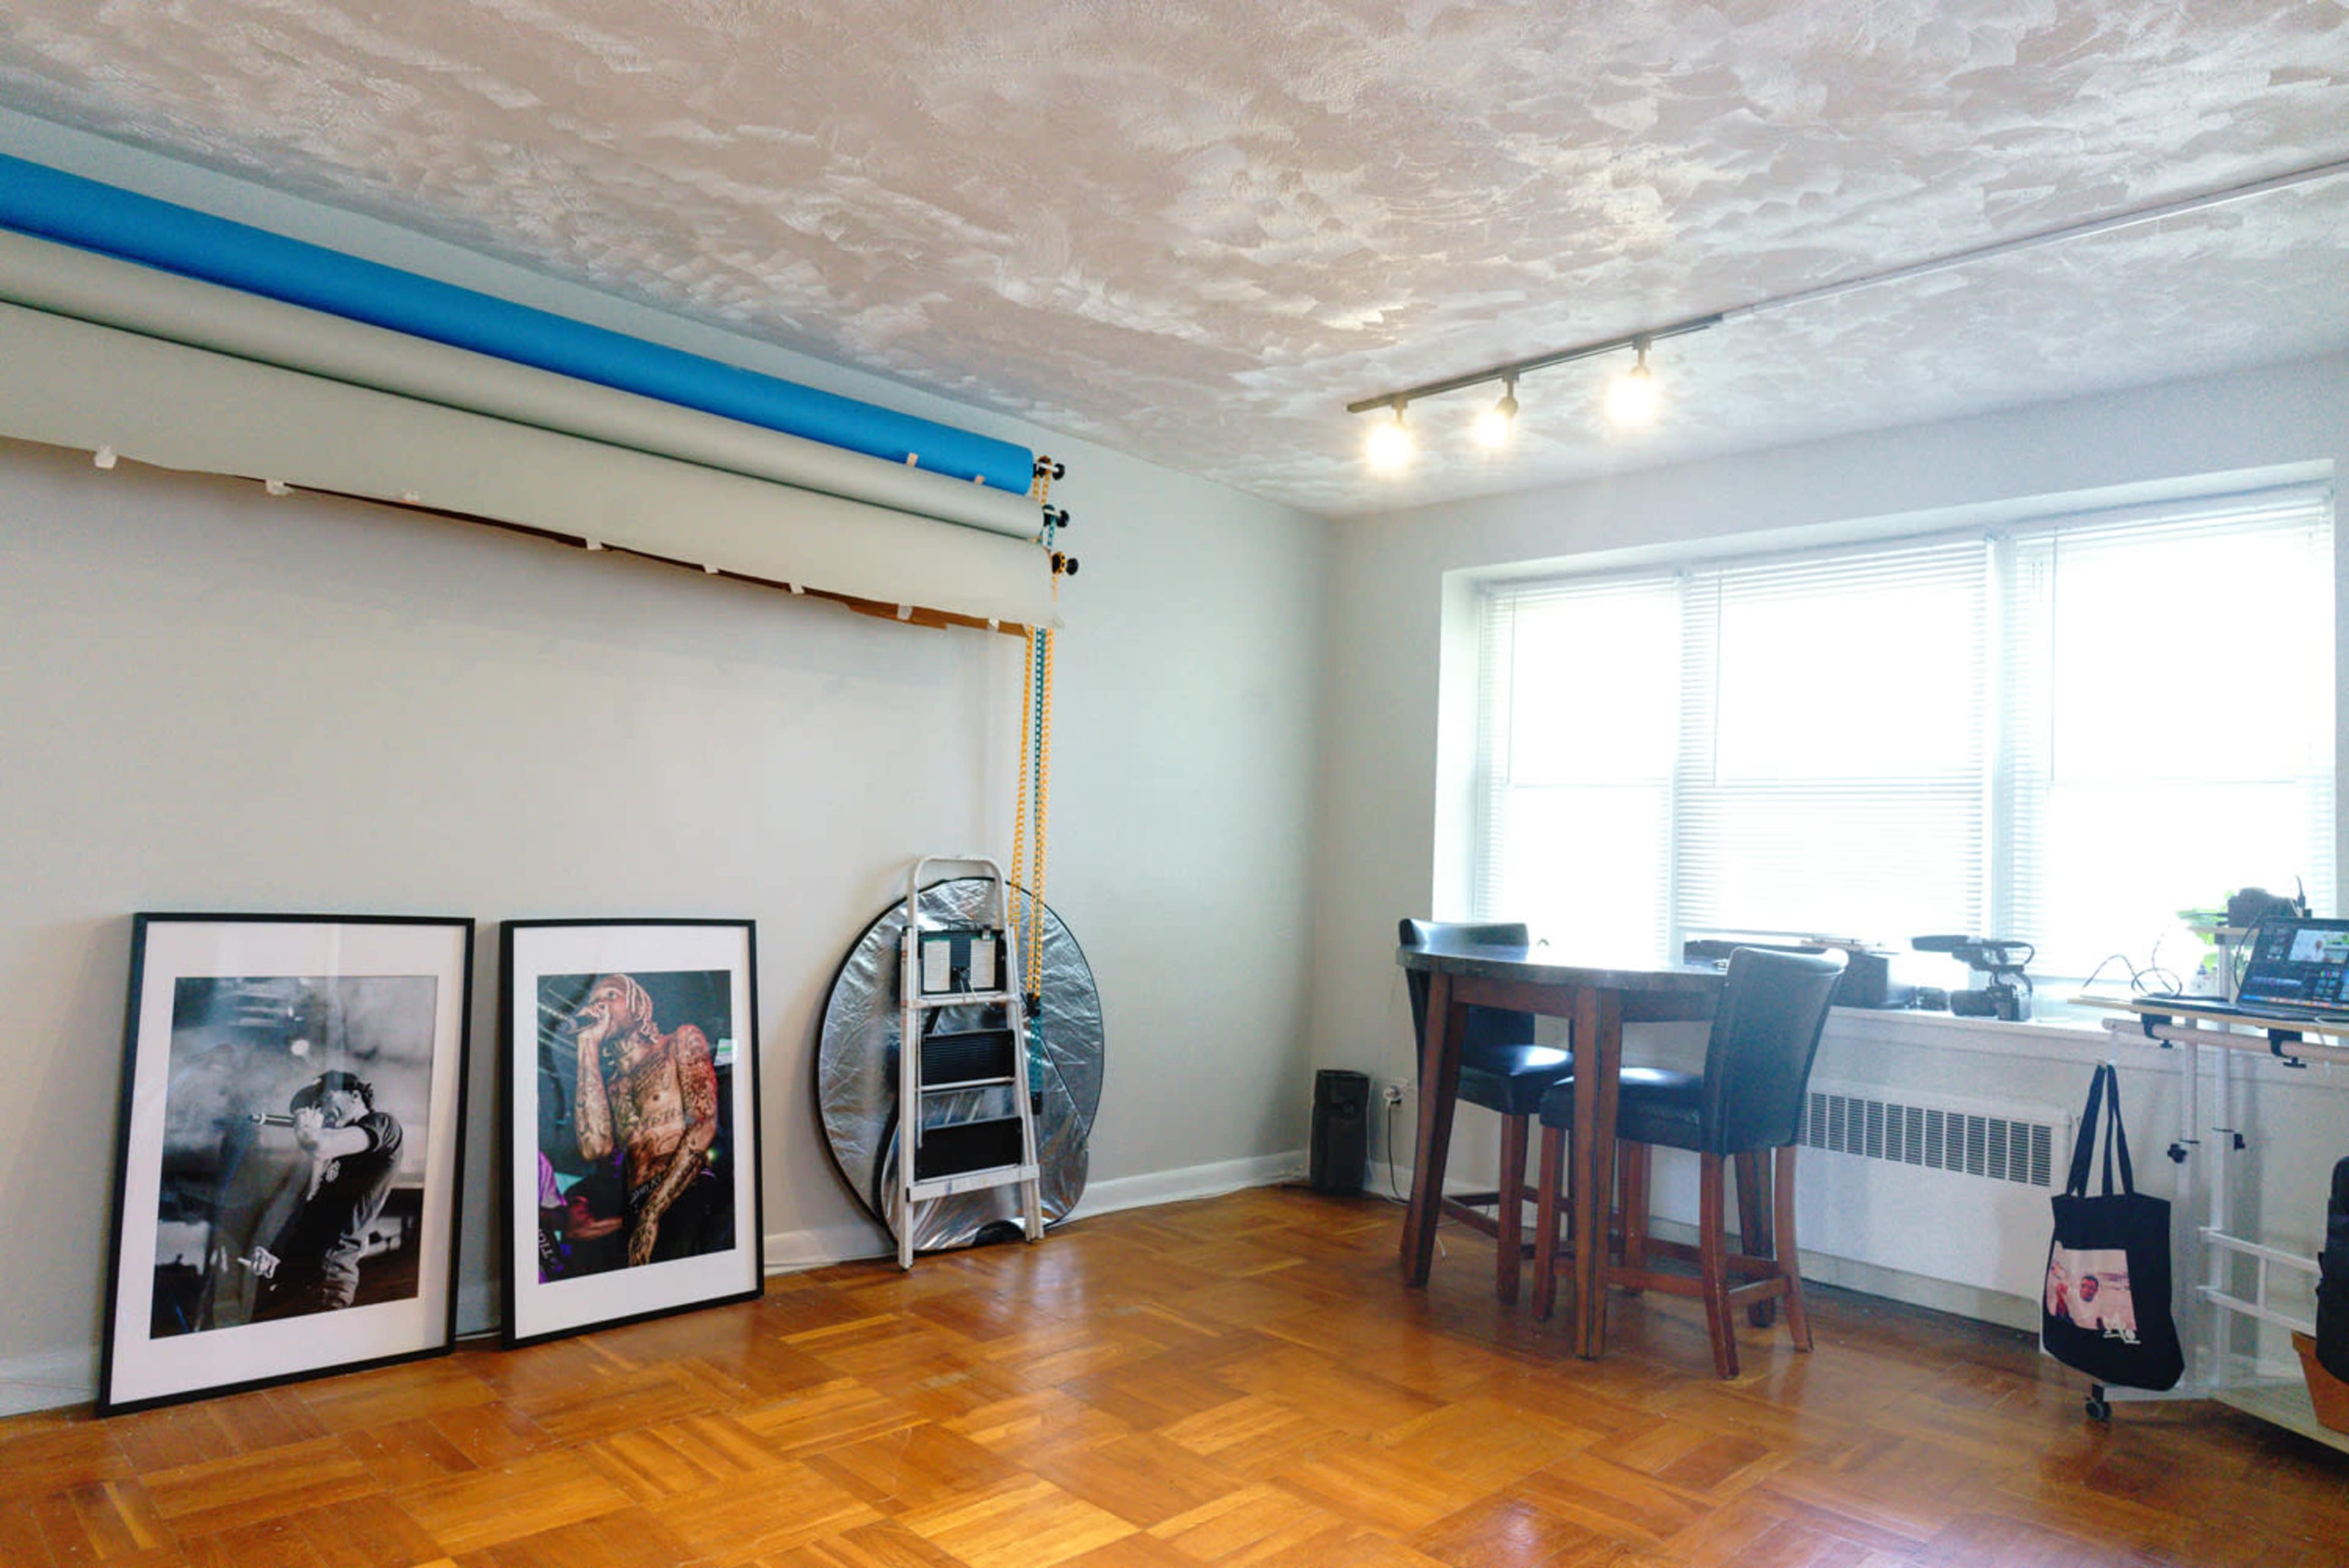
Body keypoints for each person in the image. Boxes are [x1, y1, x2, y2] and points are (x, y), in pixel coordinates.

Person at [568, 975, 729, 1267]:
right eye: (594, 1001)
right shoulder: (612, 1086)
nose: (600, 1005)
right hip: (637, 1203)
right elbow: (594, 1148)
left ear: (638, 1005)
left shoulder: (679, 1042)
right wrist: (587, 1046)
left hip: (685, 1187)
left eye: (611, 995)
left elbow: (703, 1124)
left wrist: (653, 1211)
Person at [249, 1071, 403, 1319]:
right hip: (299, 1280)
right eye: (315, 1106)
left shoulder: (384, 1125)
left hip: (323, 1283)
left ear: (354, 1095)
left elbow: (320, 1145)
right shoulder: (341, 1161)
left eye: (323, 1100)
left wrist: (306, 1129)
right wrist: (280, 1264)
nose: (319, 1109)